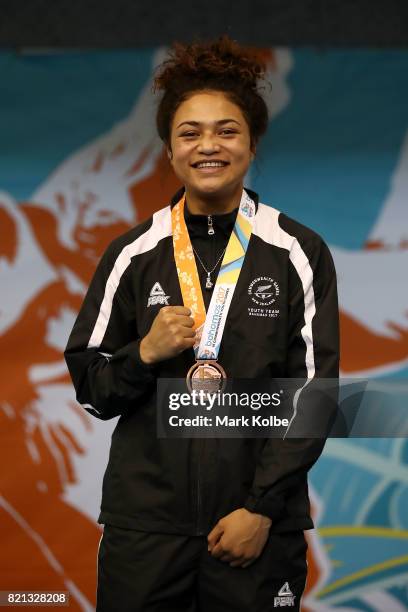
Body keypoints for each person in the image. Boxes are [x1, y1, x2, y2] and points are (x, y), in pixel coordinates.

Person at [64, 35, 339, 612]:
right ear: (168, 149)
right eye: (190, 132)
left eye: (227, 130)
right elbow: (92, 387)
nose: (208, 146)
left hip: (255, 529)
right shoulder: (132, 254)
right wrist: (145, 353)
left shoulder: (296, 252)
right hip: (146, 531)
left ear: (251, 143)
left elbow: (314, 394)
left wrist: (262, 509)